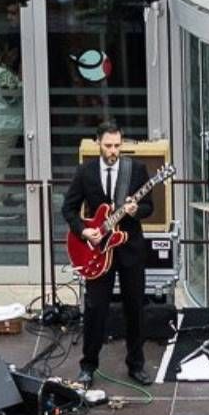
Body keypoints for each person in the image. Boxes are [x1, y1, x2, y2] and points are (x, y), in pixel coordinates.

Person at [63, 120, 153, 386]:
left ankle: (136, 364)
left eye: (117, 145)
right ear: (98, 143)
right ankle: (88, 365)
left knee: (135, 306)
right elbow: (68, 209)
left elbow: (149, 206)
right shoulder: (85, 172)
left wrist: (138, 210)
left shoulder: (135, 170)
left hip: (129, 246)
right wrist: (84, 231)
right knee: (95, 308)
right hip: (98, 249)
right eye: (108, 145)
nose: (114, 151)